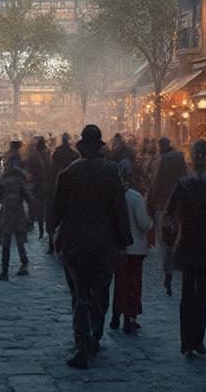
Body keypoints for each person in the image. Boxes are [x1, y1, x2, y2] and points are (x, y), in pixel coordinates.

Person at [52, 125, 132, 370]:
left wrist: (54, 236)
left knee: (79, 294)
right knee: (101, 292)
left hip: (75, 243)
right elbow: (120, 210)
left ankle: (82, 341)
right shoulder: (111, 173)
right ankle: (95, 334)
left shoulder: (67, 175)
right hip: (103, 244)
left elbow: (56, 212)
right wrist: (124, 241)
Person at [167, 139, 206, 359]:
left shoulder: (183, 184)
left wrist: (170, 236)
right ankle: (197, 339)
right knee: (202, 295)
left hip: (188, 243)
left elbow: (171, 213)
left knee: (187, 295)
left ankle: (186, 341)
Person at [110, 159, 152, 334]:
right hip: (135, 249)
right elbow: (143, 223)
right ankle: (130, 317)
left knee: (120, 284)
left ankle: (115, 315)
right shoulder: (135, 197)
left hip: (118, 249)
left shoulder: (112, 196)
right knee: (133, 285)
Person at [148, 137, 188, 296]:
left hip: (163, 205)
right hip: (180, 205)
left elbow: (156, 184)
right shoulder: (180, 159)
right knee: (177, 235)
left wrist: (149, 201)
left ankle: (168, 269)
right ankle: (176, 261)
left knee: (164, 240)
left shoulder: (161, 161)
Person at [0, 153, 31, 279]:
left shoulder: (4, 179)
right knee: (19, 241)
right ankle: (24, 263)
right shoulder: (20, 179)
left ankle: (5, 271)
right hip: (18, 211)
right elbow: (28, 197)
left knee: (6, 242)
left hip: (7, 212)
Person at [47, 133, 79, 254]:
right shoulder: (74, 154)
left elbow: (51, 171)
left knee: (54, 215)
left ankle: (52, 243)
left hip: (57, 186)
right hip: (71, 189)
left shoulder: (56, 153)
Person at [25, 137, 51, 239]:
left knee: (34, 207)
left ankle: (34, 225)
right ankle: (41, 230)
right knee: (41, 208)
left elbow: (30, 171)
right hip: (44, 185)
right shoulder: (48, 156)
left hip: (37, 185)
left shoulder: (35, 157)